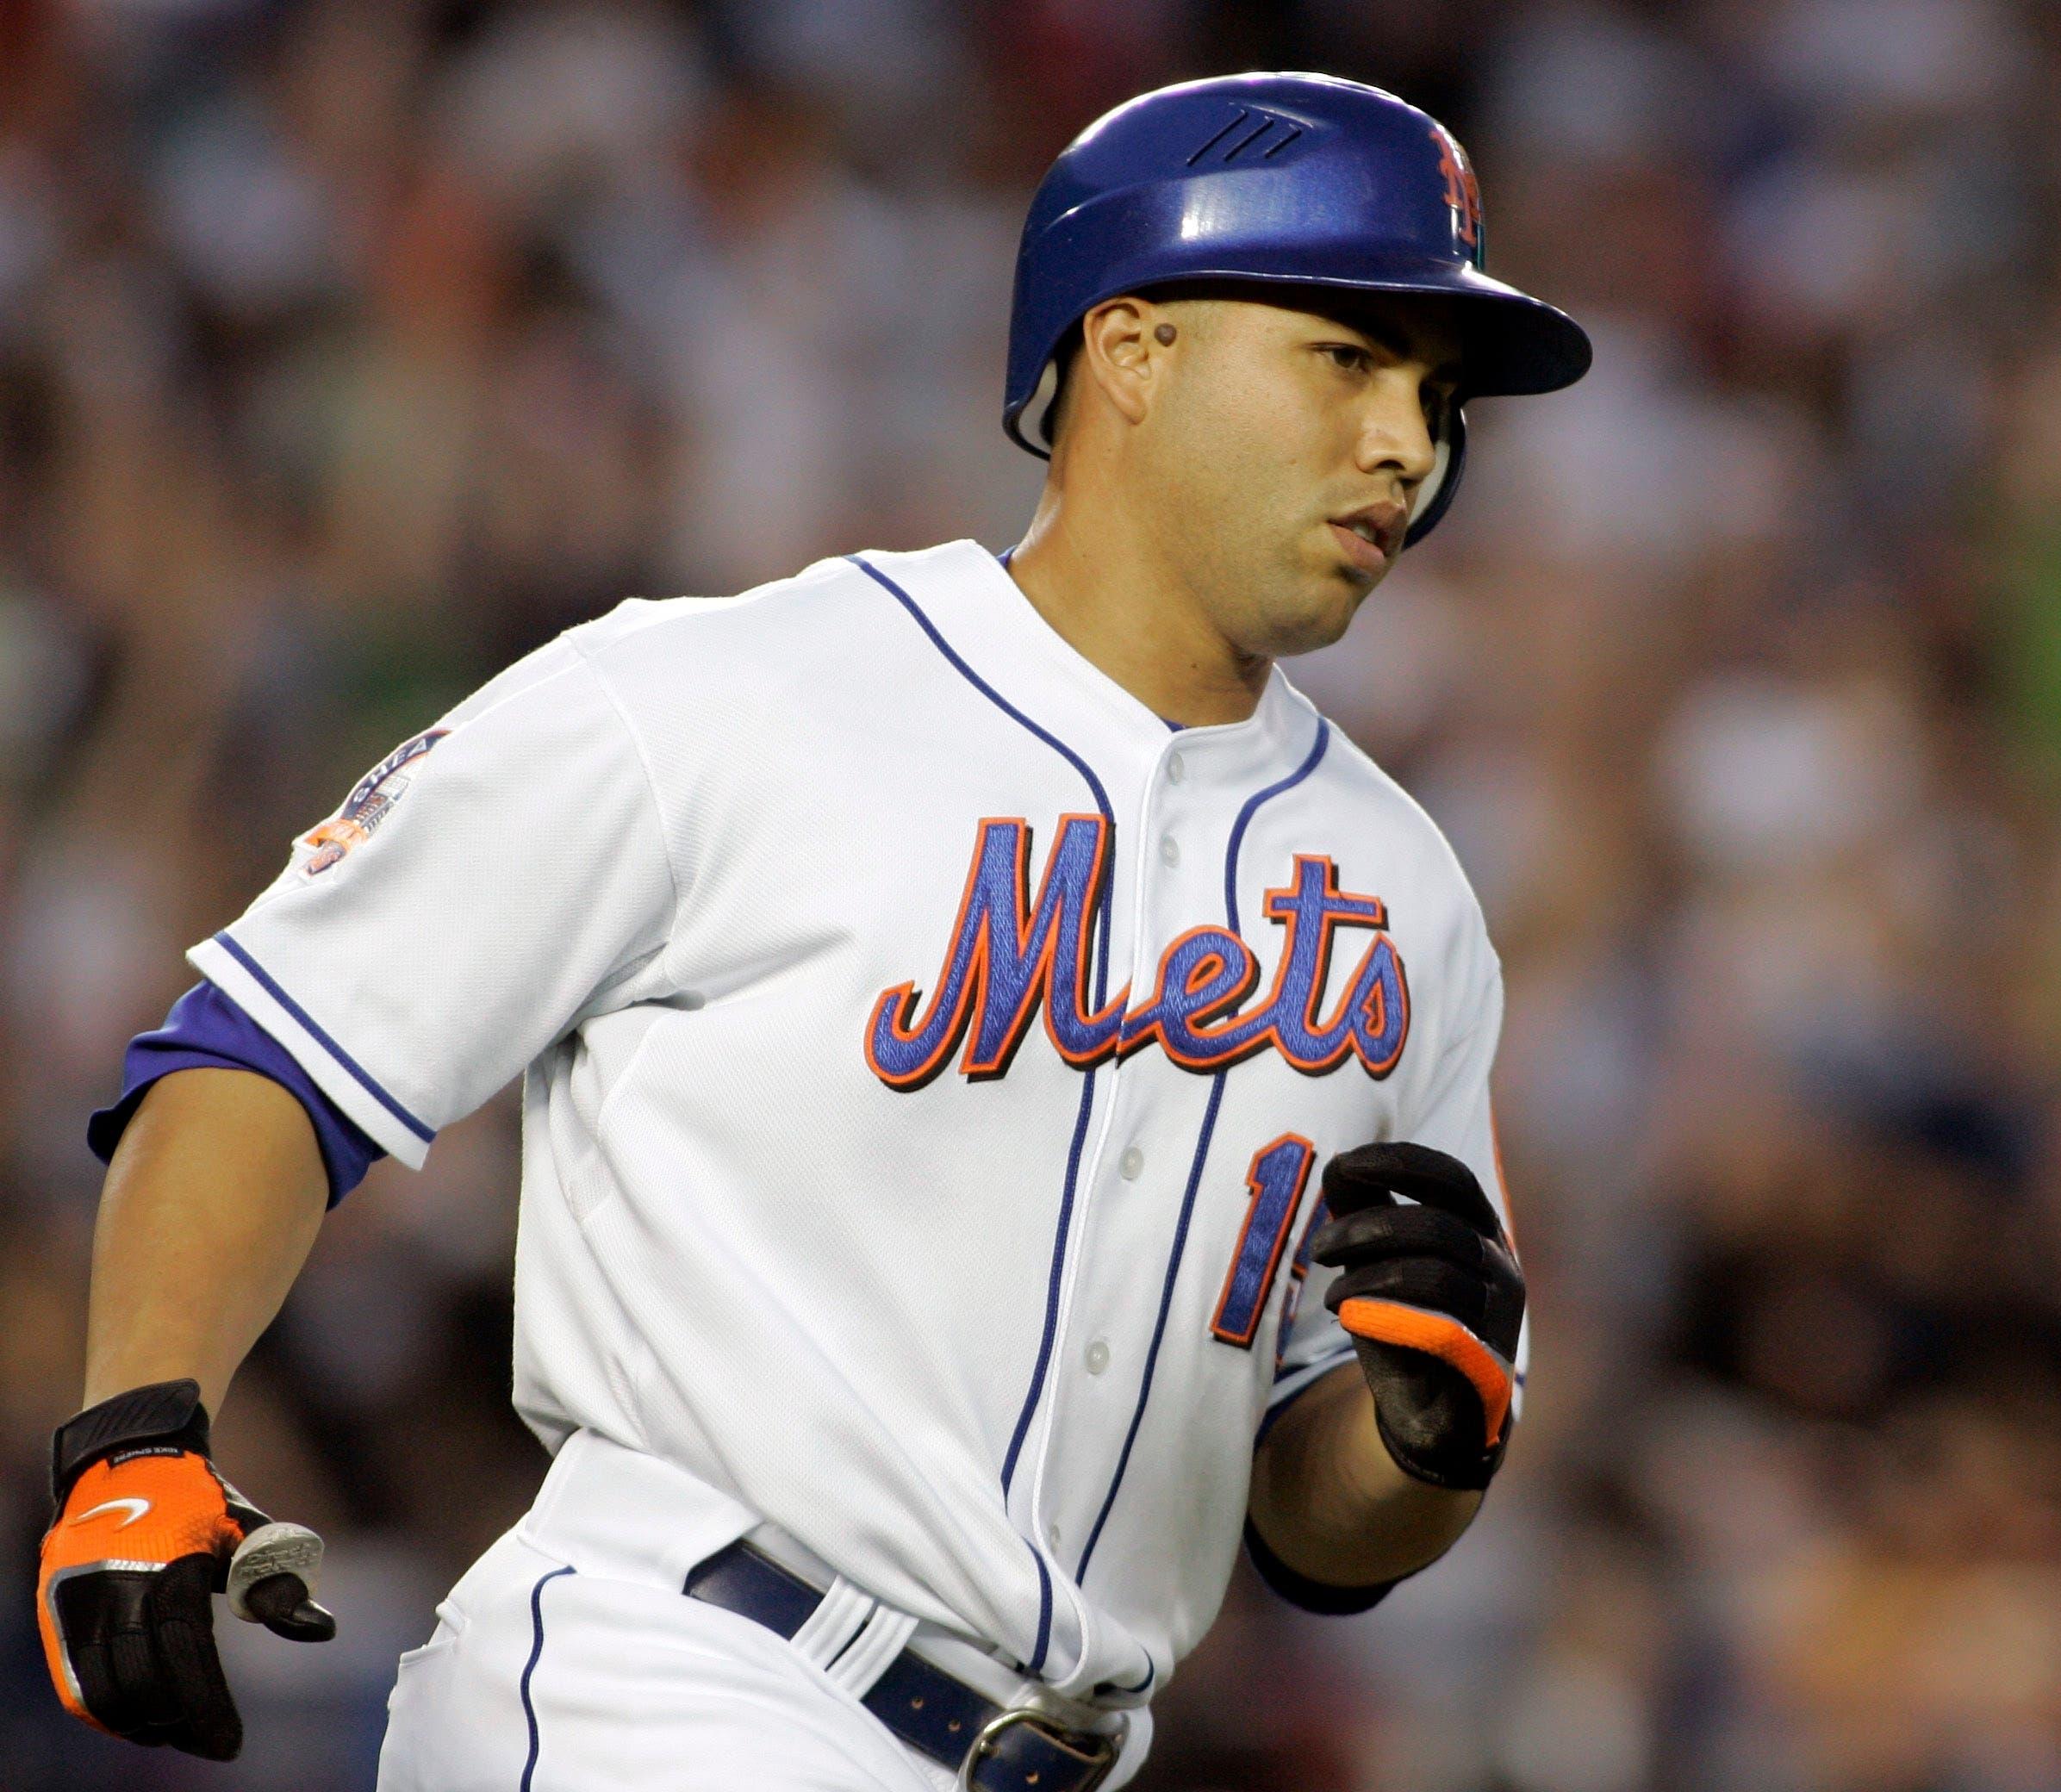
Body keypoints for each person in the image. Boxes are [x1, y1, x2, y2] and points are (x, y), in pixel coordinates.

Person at [35, 71, 1587, 1790]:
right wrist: (136, 1433)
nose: (1406, 442)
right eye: (1345, 360)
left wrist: (1425, 1437)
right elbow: (273, 1044)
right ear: (1131, 353)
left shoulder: (1407, 896)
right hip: (673, 1679)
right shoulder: (729, 694)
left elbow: (1319, 1526)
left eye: (1437, 398)